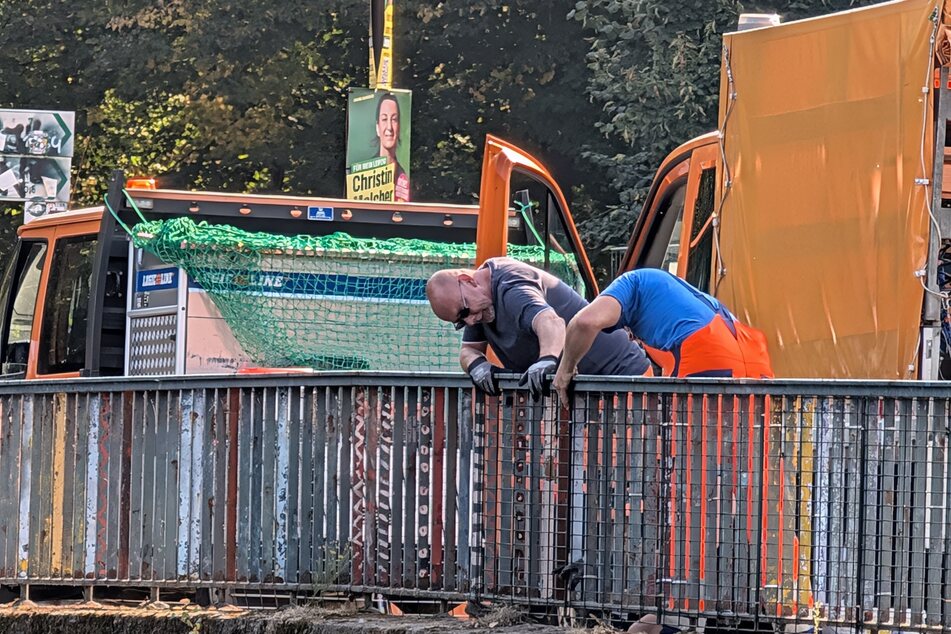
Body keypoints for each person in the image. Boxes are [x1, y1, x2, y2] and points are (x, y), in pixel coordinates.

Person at [425, 257, 652, 399]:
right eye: (460, 321)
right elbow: (468, 350)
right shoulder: (478, 308)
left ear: (468, 281)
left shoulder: (511, 285)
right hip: (577, 390)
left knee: (627, 466)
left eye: (465, 312)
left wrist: (545, 361)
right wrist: (478, 368)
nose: (470, 321)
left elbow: (550, 322)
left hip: (622, 378)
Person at [554, 268, 773, 401]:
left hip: (707, 348)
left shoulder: (629, 284)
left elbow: (584, 322)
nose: (631, 338)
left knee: (694, 455)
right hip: (753, 354)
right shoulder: (676, 293)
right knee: (748, 454)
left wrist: (565, 370)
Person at [374, 93, 409, 202]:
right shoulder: (363, 171)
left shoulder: (403, 176)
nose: (389, 127)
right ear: (377, 128)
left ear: (399, 127)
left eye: (394, 119)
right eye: (384, 119)